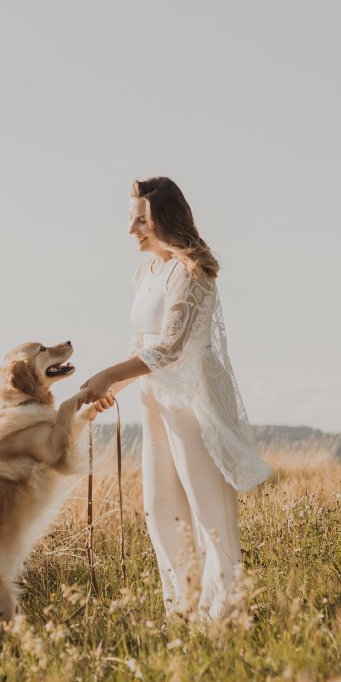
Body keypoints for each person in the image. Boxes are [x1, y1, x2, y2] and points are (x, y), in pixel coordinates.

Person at [78, 176, 271, 619]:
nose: (133, 231)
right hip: (155, 402)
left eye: (141, 221)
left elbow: (170, 347)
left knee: (211, 520)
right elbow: (141, 344)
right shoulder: (147, 271)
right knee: (160, 510)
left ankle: (223, 621)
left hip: (193, 404)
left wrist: (108, 374)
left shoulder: (192, 271)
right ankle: (182, 614)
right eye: (132, 220)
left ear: (165, 217)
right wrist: (110, 389)